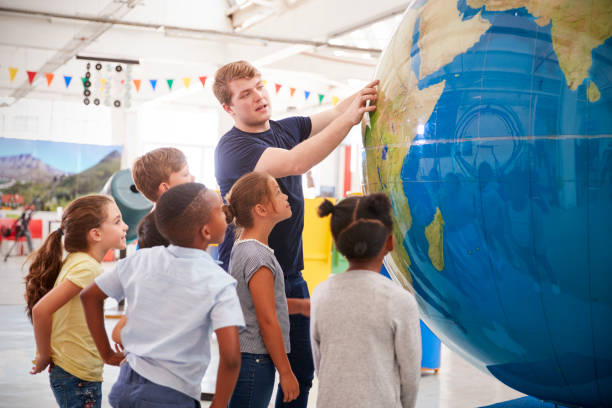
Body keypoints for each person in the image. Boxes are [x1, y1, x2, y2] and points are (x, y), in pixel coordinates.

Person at [213, 60, 378, 407]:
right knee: (258, 371)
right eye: (246, 94)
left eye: (259, 86)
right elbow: (294, 163)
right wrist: (350, 121)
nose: (259, 96)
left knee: (301, 373)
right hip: (251, 275)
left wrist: (372, 90)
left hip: (290, 272)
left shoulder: (284, 128)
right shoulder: (233, 150)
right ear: (228, 108)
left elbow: (335, 111)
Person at [81, 182, 244, 408]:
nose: (225, 213)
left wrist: (106, 353)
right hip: (173, 395)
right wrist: (220, 403)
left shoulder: (141, 260)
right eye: (219, 210)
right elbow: (231, 357)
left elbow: (89, 296)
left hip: (126, 386)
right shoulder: (219, 282)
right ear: (206, 231)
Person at [311, 193, 421, 408]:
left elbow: (320, 363)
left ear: (335, 243)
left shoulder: (320, 294)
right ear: (390, 242)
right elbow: (410, 374)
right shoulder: (400, 300)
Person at [25, 194, 128, 408]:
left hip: (75, 372)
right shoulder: (88, 268)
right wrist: (43, 355)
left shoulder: (77, 260)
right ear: (96, 234)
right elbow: (41, 311)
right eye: (117, 221)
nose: (125, 226)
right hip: (77, 376)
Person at [225, 172, 299, 407]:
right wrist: (286, 373)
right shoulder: (258, 257)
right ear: (261, 210)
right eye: (277, 192)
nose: (286, 195)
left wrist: (302, 306)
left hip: (246, 359)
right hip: (254, 361)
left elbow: (252, 303)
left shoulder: (245, 248)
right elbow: (267, 320)